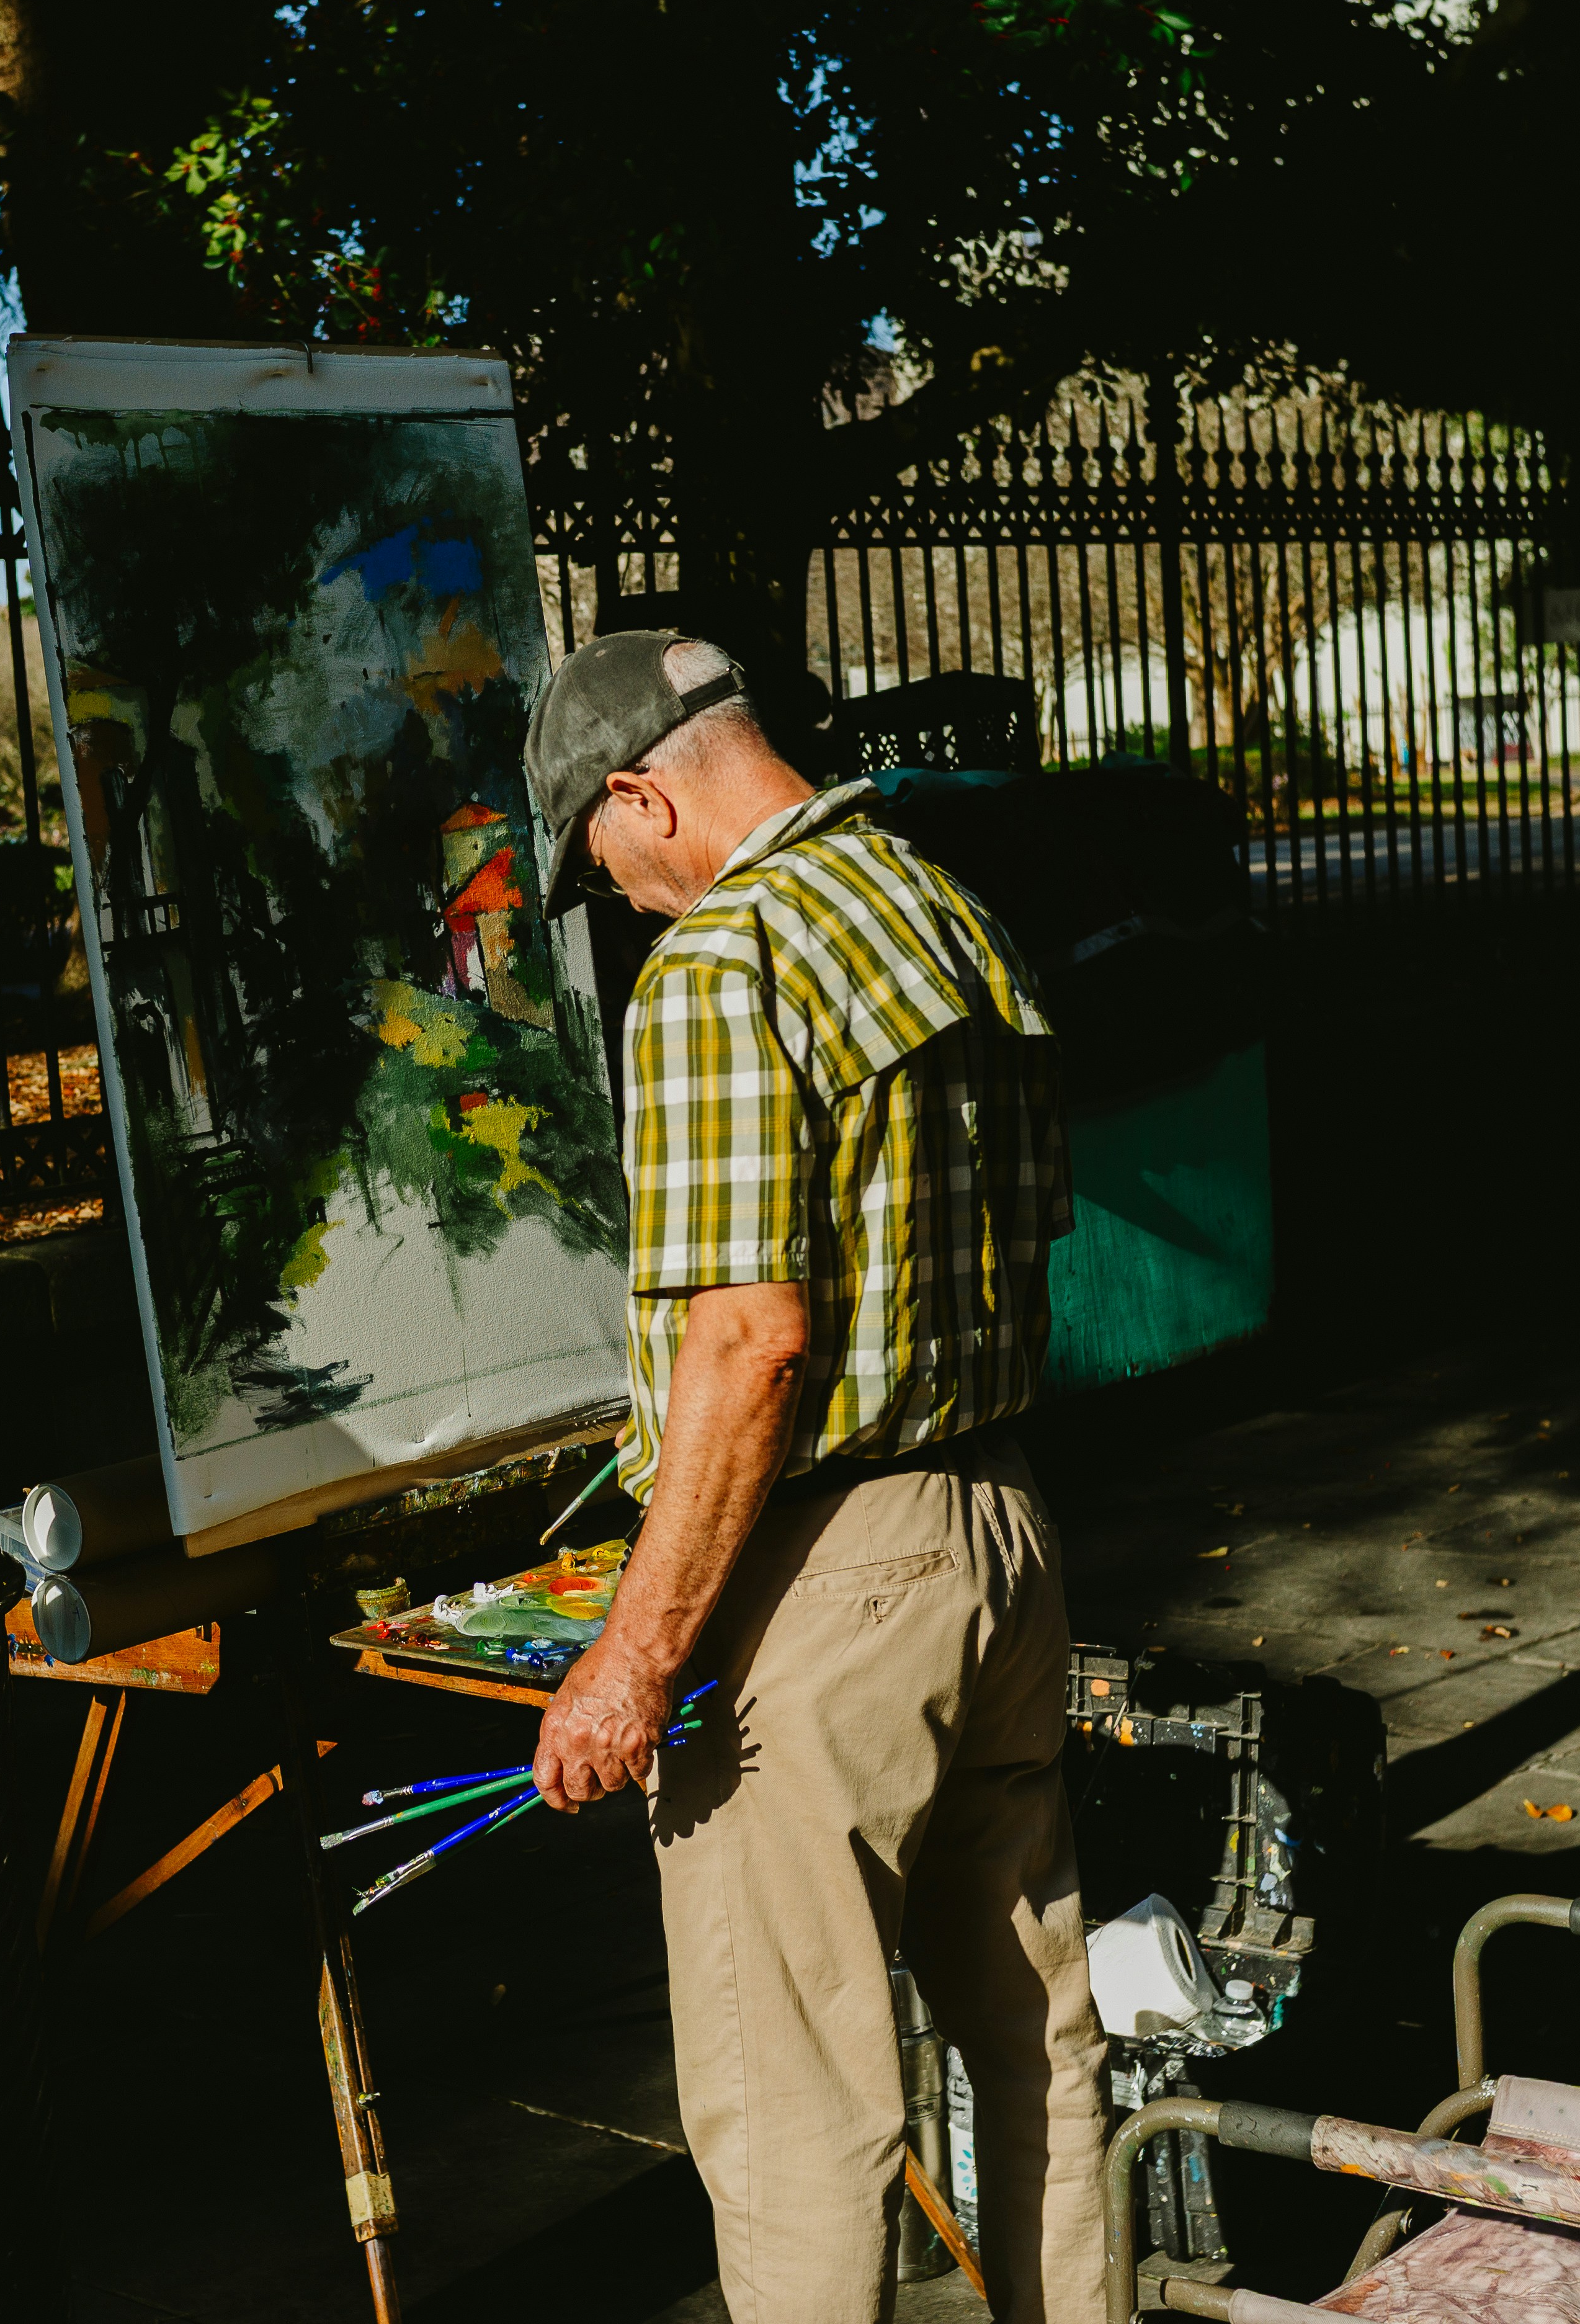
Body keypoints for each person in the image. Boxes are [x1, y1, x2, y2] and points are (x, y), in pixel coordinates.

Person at [518, 628, 1102, 2323]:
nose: (618, 899)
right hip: (999, 1532)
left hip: (825, 1578)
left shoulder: (722, 963)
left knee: (794, 2116)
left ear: (644, 795)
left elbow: (749, 1343)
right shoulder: (936, 902)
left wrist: (632, 1660)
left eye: (603, 860)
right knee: (1040, 2054)